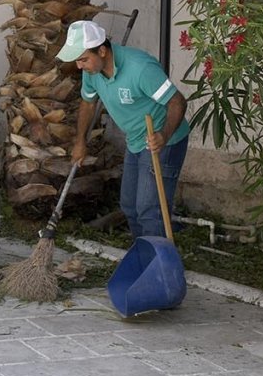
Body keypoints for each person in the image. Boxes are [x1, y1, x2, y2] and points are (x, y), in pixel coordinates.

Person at [59, 19, 190, 240]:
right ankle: (144, 253)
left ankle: (158, 265)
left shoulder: (140, 69)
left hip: (162, 139)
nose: (79, 66)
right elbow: (88, 102)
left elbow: (177, 102)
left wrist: (163, 136)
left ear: (101, 51)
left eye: (83, 59)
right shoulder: (92, 72)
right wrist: (80, 141)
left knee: (149, 210)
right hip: (136, 140)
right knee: (130, 206)